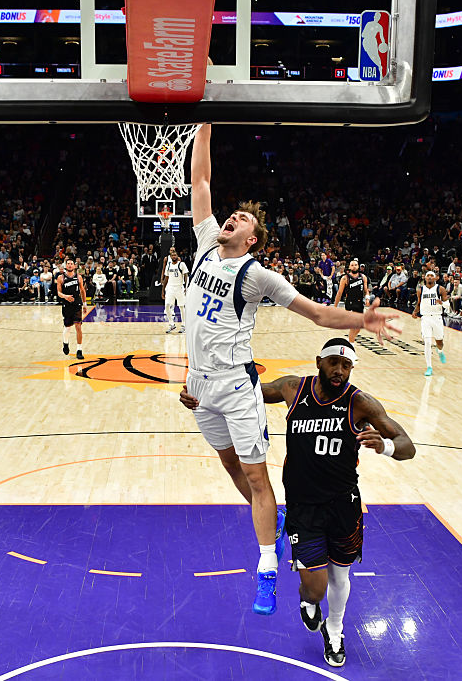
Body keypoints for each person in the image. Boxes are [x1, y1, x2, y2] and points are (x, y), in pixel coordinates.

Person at [184, 123, 400, 616]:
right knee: (230, 467)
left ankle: (265, 569)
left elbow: (320, 315)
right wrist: (205, 118)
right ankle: (274, 523)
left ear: (253, 239)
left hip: (238, 386)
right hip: (199, 385)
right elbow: (200, 182)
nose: (230, 217)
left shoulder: (256, 274)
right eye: (231, 214)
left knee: (258, 478)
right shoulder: (202, 245)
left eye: (240, 219)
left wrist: (361, 318)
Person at [181, 338, 414, 667]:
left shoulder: (360, 403)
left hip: (344, 505)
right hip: (303, 507)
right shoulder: (294, 388)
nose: (339, 370)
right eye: (334, 362)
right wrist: (200, 396)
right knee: (315, 588)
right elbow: (244, 393)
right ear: (319, 361)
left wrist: (385, 447)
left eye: (346, 366)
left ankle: (335, 631)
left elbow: (407, 444)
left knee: (340, 577)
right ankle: (310, 603)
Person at [411, 270, 449, 376]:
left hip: (437, 318)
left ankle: (440, 351)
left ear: (436, 278)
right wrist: (415, 312)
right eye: (428, 276)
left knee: (439, 341)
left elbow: (448, 305)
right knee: (427, 342)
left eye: (432, 276)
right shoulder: (420, 290)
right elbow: (419, 303)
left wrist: (441, 302)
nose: (430, 277)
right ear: (425, 278)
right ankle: (429, 367)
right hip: (426, 318)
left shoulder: (440, 289)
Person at [333, 259, 370, 344]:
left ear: (358, 266)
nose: (354, 266)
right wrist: (335, 306)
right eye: (352, 265)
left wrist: (367, 298)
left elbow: (366, 290)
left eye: (356, 265)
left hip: (360, 303)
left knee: (359, 327)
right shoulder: (345, 278)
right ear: (349, 267)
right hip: (350, 303)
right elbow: (339, 293)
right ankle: (351, 345)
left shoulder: (363, 277)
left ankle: (350, 340)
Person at [57, 258, 87, 359]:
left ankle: (79, 350)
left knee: (78, 326)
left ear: (74, 266)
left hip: (77, 304)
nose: (70, 265)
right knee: (68, 327)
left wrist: (85, 304)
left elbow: (82, 291)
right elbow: (59, 293)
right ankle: (65, 343)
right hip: (66, 305)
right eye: (68, 263)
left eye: (71, 264)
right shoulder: (61, 278)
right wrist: (65, 296)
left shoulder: (79, 277)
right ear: (66, 266)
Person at [162, 247, 189, 333]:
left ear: (177, 256)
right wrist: (163, 290)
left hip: (179, 287)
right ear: (170, 257)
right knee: (167, 305)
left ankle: (184, 325)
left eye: (175, 255)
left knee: (181, 307)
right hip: (170, 288)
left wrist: (186, 286)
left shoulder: (182, 264)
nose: (174, 256)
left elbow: (186, 276)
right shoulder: (168, 265)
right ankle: (171, 324)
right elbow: (166, 278)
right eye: (172, 255)